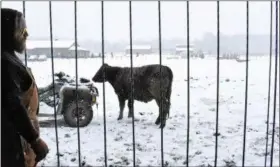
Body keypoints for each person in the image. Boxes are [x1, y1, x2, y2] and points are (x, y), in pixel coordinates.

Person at [1, 8, 49, 167]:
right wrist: (34, 140)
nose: (26, 34)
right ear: (8, 31)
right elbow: (12, 105)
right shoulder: (4, 62)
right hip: (11, 145)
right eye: (22, 30)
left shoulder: (9, 58)